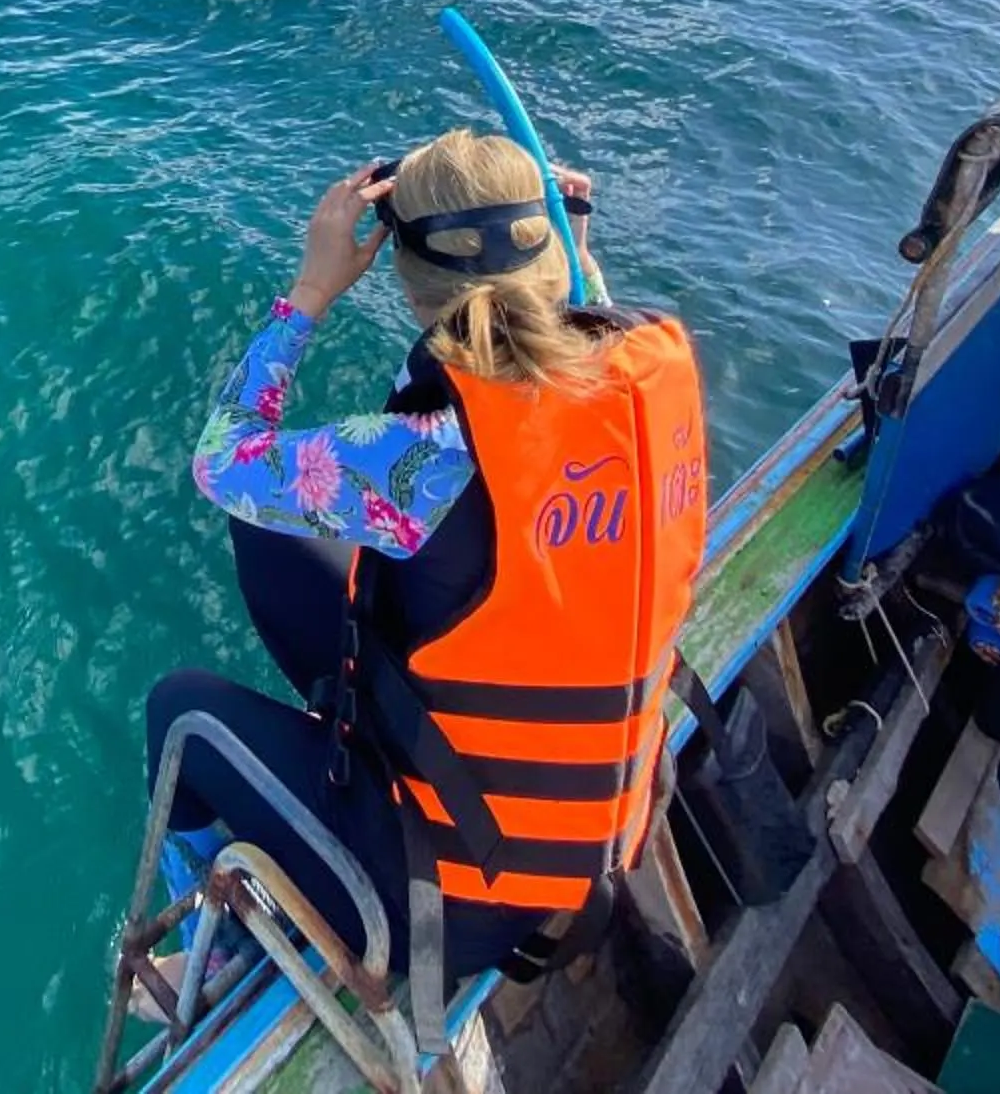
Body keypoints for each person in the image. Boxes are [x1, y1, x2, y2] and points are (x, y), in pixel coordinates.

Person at [141, 133, 708, 1006]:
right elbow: (582, 317)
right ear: (553, 249)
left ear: (406, 285)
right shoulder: (646, 377)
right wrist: (579, 247)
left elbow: (223, 461)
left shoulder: (427, 459)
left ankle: (220, 949)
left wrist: (310, 291)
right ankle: (321, 797)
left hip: (452, 897)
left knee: (181, 711)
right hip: (587, 840)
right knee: (271, 534)